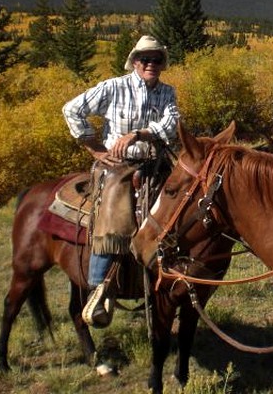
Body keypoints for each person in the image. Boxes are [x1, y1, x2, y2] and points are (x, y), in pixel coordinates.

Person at [63, 35, 180, 327]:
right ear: (135, 62)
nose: (151, 64)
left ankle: (175, 275)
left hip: (156, 161)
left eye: (156, 59)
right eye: (145, 59)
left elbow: (171, 123)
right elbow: (72, 109)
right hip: (118, 166)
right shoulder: (114, 87)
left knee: (184, 203)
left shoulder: (167, 92)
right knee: (114, 211)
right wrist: (94, 148)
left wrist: (139, 134)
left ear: (162, 64)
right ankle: (99, 286)